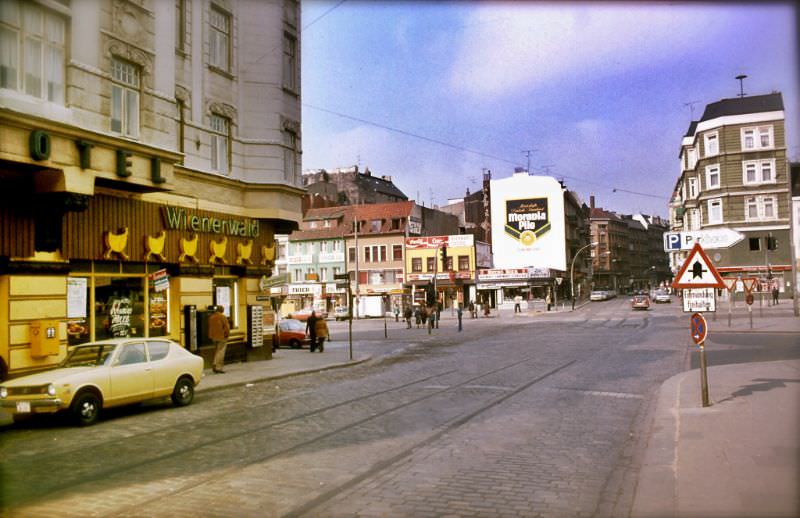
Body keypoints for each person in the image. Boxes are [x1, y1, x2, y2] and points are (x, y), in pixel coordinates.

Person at [208, 305, 230, 374]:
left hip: (213, 337)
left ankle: (214, 364)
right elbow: (227, 327)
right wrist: (227, 335)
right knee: (221, 352)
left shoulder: (211, 317)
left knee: (216, 351)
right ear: (222, 310)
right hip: (222, 336)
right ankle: (218, 367)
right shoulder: (222, 317)